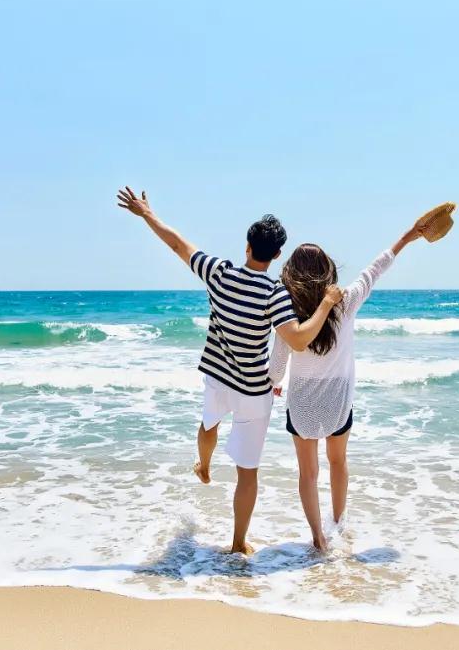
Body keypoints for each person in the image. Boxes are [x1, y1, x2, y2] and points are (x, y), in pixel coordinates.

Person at [116, 187, 342, 554]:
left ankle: (204, 465)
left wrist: (147, 214)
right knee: (247, 472)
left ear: (247, 247)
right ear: (278, 255)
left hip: (217, 378)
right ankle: (238, 544)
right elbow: (299, 340)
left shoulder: (219, 273)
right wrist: (327, 303)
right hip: (253, 391)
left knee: (209, 424)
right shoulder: (274, 294)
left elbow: (177, 245)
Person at [268, 217, 427, 551]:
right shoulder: (346, 301)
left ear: (291, 274)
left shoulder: (288, 310)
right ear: (327, 271)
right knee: (338, 462)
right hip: (338, 399)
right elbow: (375, 269)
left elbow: (278, 365)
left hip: (302, 402)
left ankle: (318, 537)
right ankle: (338, 524)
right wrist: (406, 237)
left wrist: (274, 383)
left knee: (308, 473)